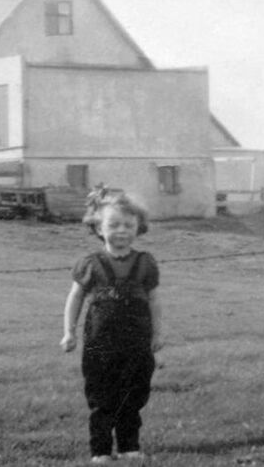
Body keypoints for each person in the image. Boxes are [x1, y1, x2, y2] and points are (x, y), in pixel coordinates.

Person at [60, 186, 162, 465]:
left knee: (133, 393)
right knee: (102, 394)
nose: (121, 231)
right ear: (98, 228)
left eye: (128, 225)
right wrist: (69, 332)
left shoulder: (145, 263)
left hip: (137, 342)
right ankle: (101, 450)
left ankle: (129, 446)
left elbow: (154, 300)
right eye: (114, 224)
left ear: (139, 227)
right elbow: (75, 297)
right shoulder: (90, 264)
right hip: (100, 343)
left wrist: (157, 334)